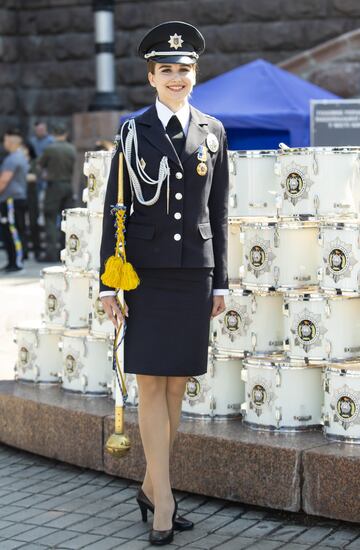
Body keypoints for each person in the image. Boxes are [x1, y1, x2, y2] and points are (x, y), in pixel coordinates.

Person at [99, 21, 229, 546]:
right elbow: (115, 209)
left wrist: (221, 282)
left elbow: (219, 214)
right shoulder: (132, 132)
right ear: (151, 77)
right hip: (146, 276)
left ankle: (152, 486)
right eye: (167, 71)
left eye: (185, 70)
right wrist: (110, 284)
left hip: (194, 273)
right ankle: (165, 502)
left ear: (195, 75)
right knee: (152, 383)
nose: (178, 78)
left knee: (178, 388)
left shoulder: (214, 132)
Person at [38, 123, 76, 262]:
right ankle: (65, 251)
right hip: (67, 185)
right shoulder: (72, 149)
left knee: (50, 218)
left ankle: (51, 253)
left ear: (54, 134)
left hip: (53, 186)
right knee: (66, 219)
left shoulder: (50, 149)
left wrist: (43, 176)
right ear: (65, 134)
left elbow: (40, 165)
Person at [0, 128, 29, 272]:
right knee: (9, 232)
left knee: (13, 232)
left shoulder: (12, 159)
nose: (4, 143)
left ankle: (17, 262)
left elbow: (3, 181)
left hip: (12, 200)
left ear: (11, 141)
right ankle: (12, 261)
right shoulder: (18, 156)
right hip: (13, 199)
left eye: (5, 140)